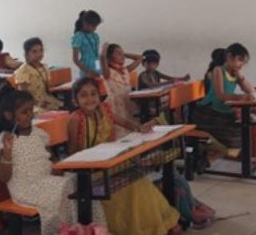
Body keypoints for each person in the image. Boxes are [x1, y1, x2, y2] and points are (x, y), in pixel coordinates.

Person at [66, 78, 182, 235]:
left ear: (99, 96)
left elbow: (127, 123)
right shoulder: (75, 119)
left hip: (113, 163)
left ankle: (160, 224)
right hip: (92, 171)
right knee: (130, 189)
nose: (90, 99)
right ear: (75, 100)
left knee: (140, 181)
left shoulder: (105, 109)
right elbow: (72, 152)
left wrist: (140, 127)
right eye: (84, 95)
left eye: (93, 94)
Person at [0, 90, 106, 235]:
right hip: (26, 189)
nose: (30, 115)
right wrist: (7, 155)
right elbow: (3, 177)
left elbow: (51, 159)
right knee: (67, 188)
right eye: (24, 112)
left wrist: (56, 167)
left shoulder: (39, 134)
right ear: (8, 115)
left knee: (83, 183)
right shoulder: (3, 141)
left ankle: (93, 229)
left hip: (47, 179)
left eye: (31, 110)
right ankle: (72, 230)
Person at [191, 43, 256, 157]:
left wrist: (240, 77)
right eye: (240, 60)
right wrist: (241, 97)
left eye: (244, 62)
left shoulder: (234, 72)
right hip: (211, 110)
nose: (241, 64)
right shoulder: (218, 70)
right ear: (229, 57)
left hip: (227, 107)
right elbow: (220, 95)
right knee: (248, 122)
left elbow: (250, 90)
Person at [99, 43, 143, 137]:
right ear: (109, 58)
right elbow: (102, 57)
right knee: (120, 132)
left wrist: (123, 54)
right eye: (118, 54)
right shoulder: (107, 73)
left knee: (132, 130)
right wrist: (104, 49)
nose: (122, 56)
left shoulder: (125, 70)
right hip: (116, 105)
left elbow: (140, 58)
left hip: (127, 102)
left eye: (122, 53)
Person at [14, 37, 62, 112]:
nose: (39, 54)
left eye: (41, 50)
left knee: (66, 107)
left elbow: (47, 88)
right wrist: (37, 103)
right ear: (27, 54)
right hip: (33, 104)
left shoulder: (44, 67)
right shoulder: (23, 71)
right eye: (34, 52)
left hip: (46, 100)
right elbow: (23, 94)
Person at [71, 10, 103, 78]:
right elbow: (75, 59)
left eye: (96, 26)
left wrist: (98, 69)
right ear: (85, 23)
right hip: (86, 69)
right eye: (93, 26)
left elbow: (96, 54)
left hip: (97, 67)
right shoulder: (79, 36)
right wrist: (87, 71)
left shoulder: (95, 36)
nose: (95, 28)